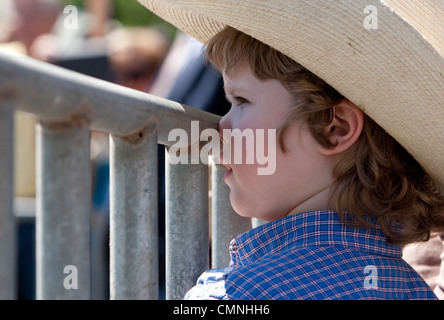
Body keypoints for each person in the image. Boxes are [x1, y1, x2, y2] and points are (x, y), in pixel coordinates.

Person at [138, 0, 444, 299]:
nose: (221, 127)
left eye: (241, 101)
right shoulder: (416, 290)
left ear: (333, 128)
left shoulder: (236, 295)